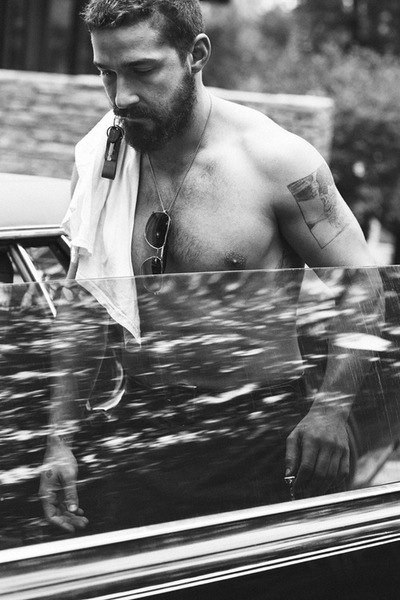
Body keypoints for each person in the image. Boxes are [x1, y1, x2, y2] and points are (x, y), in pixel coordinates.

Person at [39, 0, 382, 534]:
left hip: (255, 436)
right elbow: (82, 305)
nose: (121, 96)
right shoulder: (100, 164)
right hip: (140, 431)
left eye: (142, 70)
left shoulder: (275, 162)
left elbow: (364, 285)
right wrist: (59, 439)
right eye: (106, 73)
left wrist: (331, 408)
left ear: (196, 55)